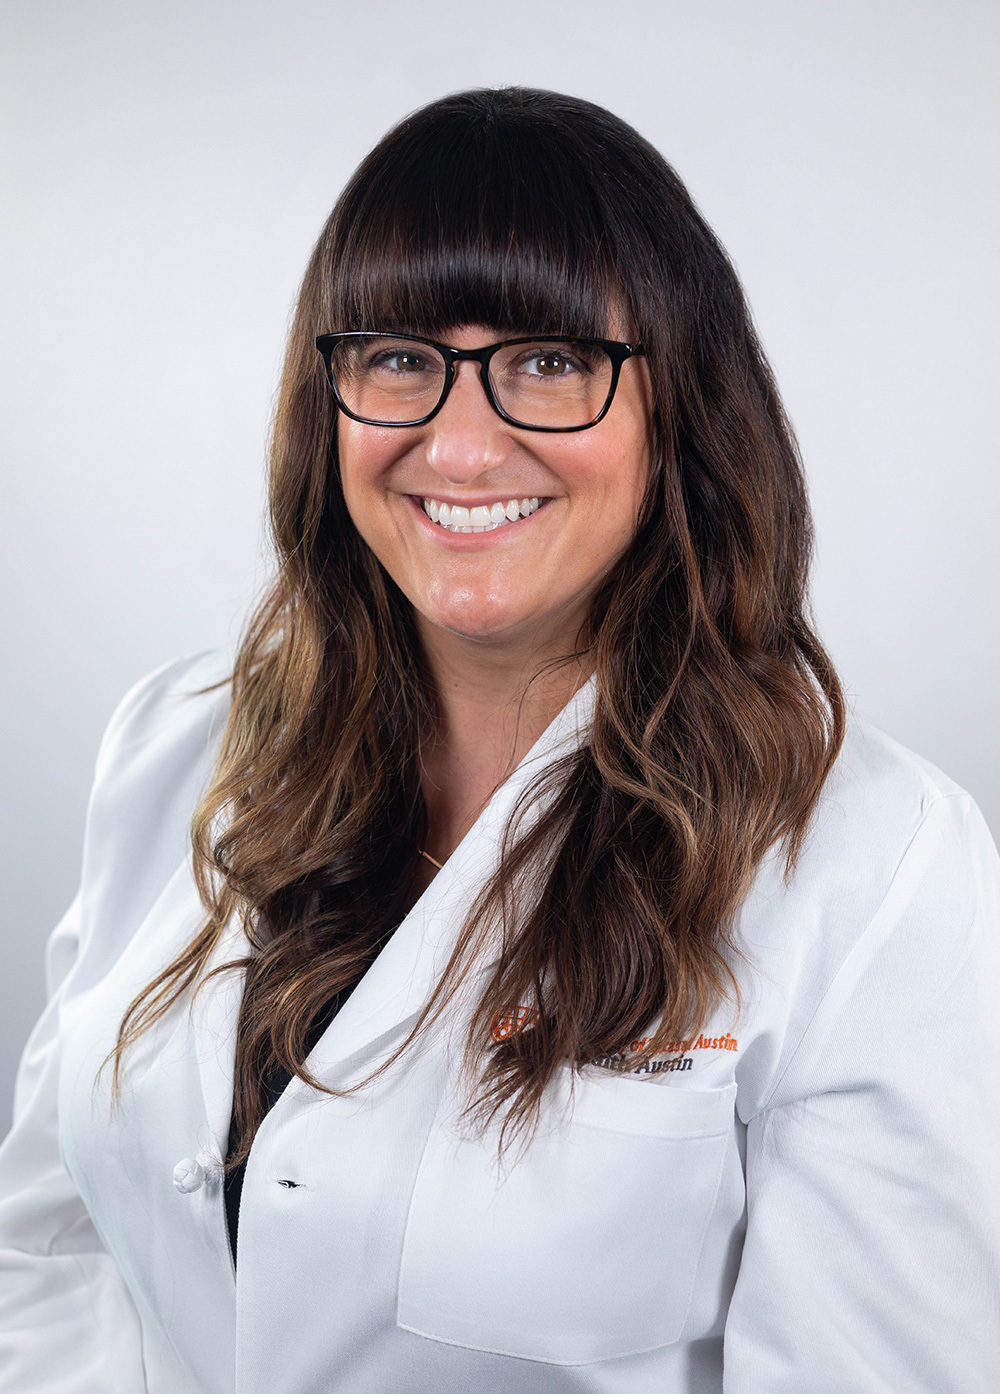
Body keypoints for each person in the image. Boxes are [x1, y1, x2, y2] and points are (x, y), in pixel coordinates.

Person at [0, 86, 997, 1394]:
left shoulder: (870, 859)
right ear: (332, 398)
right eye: (401, 356)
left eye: (549, 361)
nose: (462, 444)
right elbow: (51, 1251)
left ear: (678, 406)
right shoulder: (177, 745)